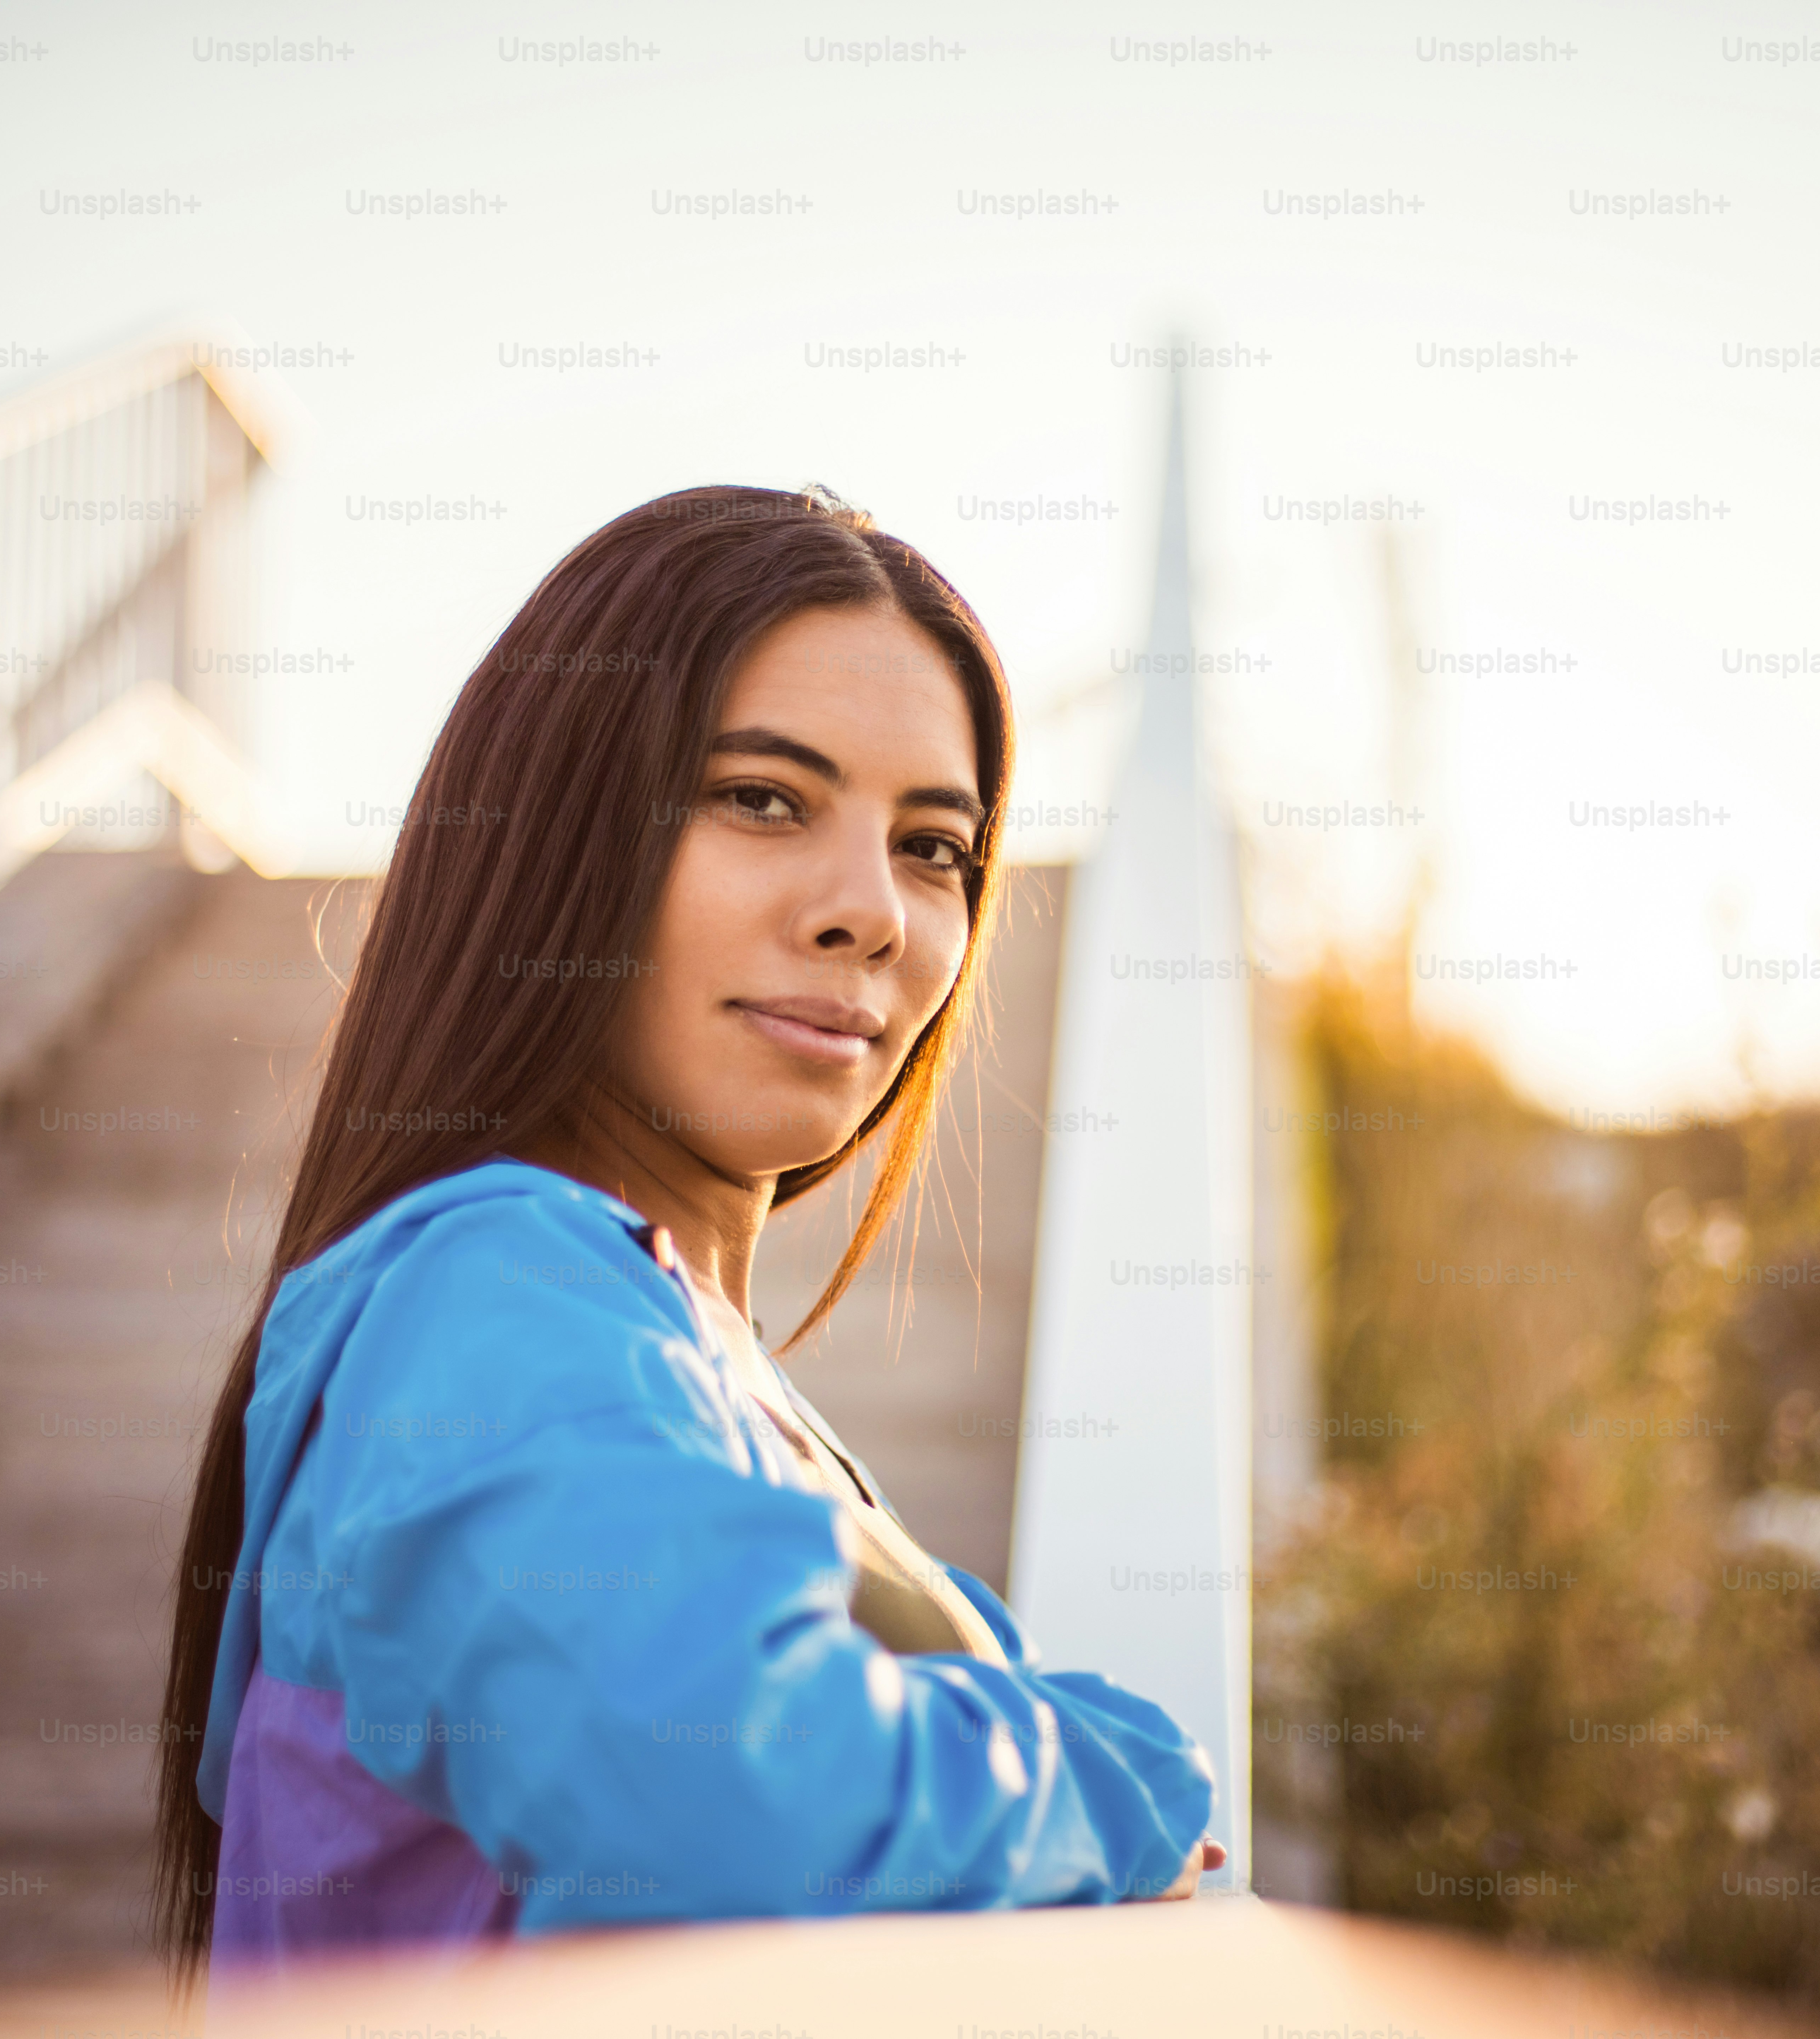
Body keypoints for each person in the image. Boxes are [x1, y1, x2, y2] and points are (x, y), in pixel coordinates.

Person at [152, 485, 1221, 1978]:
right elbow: (730, 1802)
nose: (873, 914)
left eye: (932, 846)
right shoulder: (491, 1300)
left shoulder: (664, 1355)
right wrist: (1122, 1777)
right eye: (763, 798)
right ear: (552, 838)